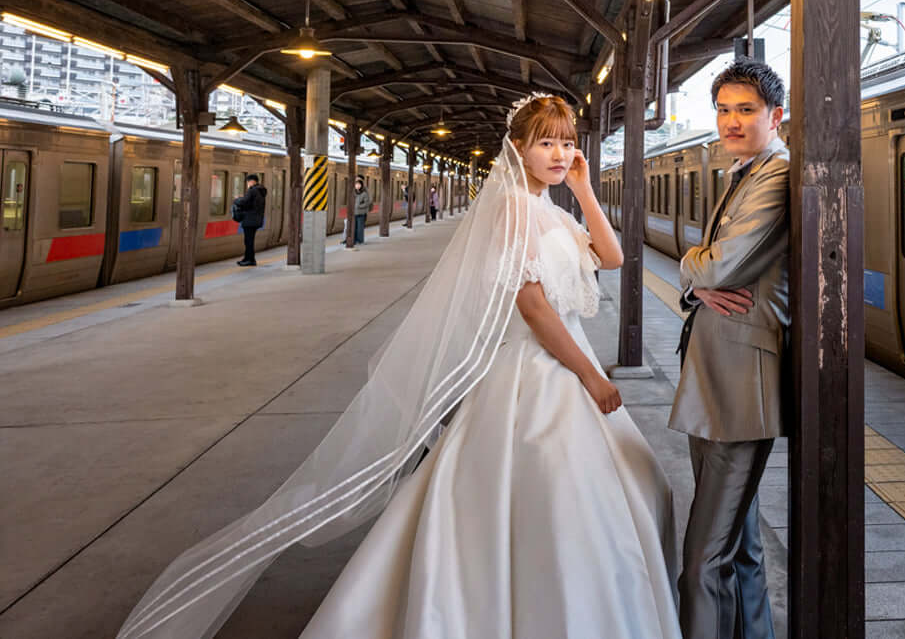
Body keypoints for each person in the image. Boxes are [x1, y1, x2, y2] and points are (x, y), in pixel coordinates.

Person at [117, 94, 681, 639]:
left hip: (559, 366)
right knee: (553, 498)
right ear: (516, 148)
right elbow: (531, 306)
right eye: (545, 143)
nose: (558, 154)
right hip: (535, 373)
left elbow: (612, 257)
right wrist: (590, 373)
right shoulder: (512, 211)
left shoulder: (549, 210)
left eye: (566, 143)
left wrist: (583, 188)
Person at [669, 60, 790, 639]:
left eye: (745, 110)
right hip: (715, 378)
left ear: (776, 115)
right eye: (723, 109)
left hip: (742, 386)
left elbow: (721, 263)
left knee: (702, 560)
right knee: (737, 548)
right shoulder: (745, 170)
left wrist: (694, 268)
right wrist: (700, 279)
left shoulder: (776, 175)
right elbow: (708, 275)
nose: (731, 122)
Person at [235, 174, 266, 267]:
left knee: (248, 241)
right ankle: (248, 258)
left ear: (252, 181)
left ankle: (249, 259)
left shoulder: (252, 191)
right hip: (256, 219)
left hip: (250, 219)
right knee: (249, 240)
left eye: (248, 182)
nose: (247, 184)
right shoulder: (261, 191)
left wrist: (237, 200)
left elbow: (244, 202)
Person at [351, 177, 371, 246]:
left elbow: (367, 203)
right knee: (354, 228)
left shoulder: (364, 193)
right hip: (354, 213)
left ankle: (360, 240)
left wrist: (359, 206)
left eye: (359, 184)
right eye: (356, 184)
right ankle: (354, 240)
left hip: (361, 213)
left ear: (361, 185)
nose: (357, 185)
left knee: (360, 228)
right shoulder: (353, 192)